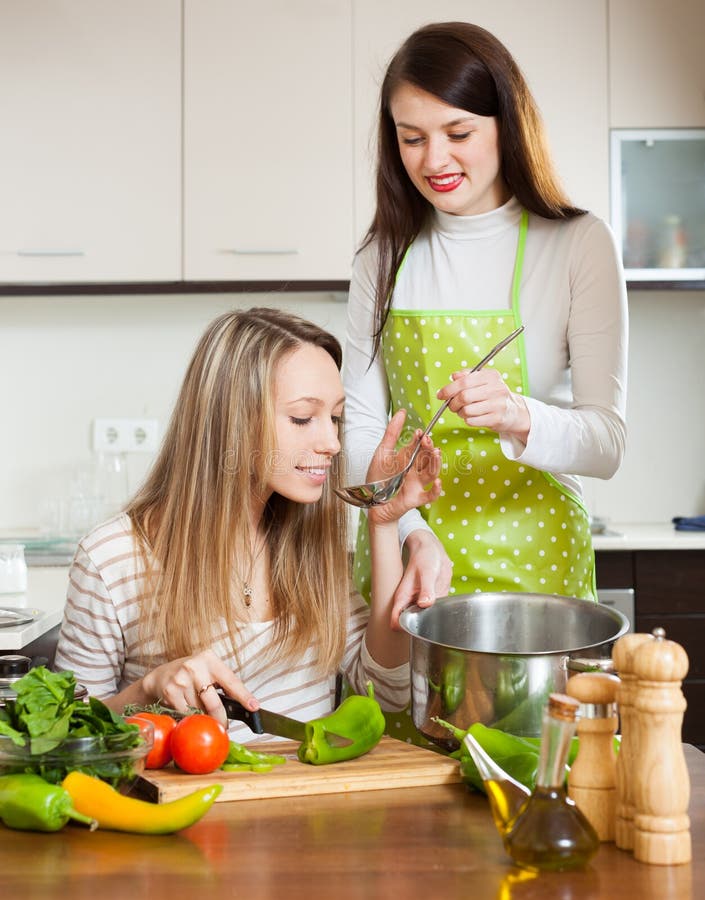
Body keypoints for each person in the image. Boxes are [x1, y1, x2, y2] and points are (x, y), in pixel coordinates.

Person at [54, 308, 441, 742]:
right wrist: (147, 689)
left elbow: (387, 690)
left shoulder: (308, 544)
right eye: (301, 418)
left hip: (311, 804)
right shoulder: (112, 559)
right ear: (230, 421)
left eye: (334, 418)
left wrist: (384, 521)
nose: (332, 443)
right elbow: (65, 735)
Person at [344, 21, 628, 609]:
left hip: (537, 565)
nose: (435, 159)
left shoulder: (577, 243)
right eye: (412, 138)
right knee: (393, 707)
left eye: (458, 131)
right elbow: (363, 433)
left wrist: (518, 415)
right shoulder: (382, 255)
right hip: (409, 561)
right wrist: (411, 531)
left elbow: (606, 442)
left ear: (506, 124)